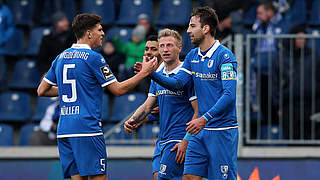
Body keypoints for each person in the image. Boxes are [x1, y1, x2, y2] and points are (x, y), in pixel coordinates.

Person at [37, 13, 156, 180]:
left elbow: (41, 90)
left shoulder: (61, 57)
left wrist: (75, 88)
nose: (103, 34)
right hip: (86, 128)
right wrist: (144, 73)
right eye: (99, 30)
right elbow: (118, 90)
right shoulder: (94, 58)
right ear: (88, 33)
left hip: (65, 130)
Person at [144, 6, 238, 180]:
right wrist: (152, 74)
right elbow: (177, 83)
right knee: (188, 177)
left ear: (206, 28)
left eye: (192, 26)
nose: (188, 31)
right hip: (198, 131)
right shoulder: (192, 56)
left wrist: (204, 118)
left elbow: (229, 95)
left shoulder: (225, 57)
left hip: (221, 130)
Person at [124, 29, 198, 180]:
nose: (165, 49)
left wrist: (186, 140)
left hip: (177, 140)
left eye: (169, 45)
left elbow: (198, 111)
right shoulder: (157, 76)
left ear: (179, 48)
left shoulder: (187, 74)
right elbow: (147, 106)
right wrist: (133, 119)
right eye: (162, 46)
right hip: (161, 142)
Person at [272, 25, 320, 140]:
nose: (301, 40)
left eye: (304, 38)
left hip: (311, 104)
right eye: (298, 38)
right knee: (292, 138)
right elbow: (275, 83)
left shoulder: (314, 56)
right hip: (289, 104)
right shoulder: (282, 57)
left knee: (311, 138)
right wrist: (278, 105)